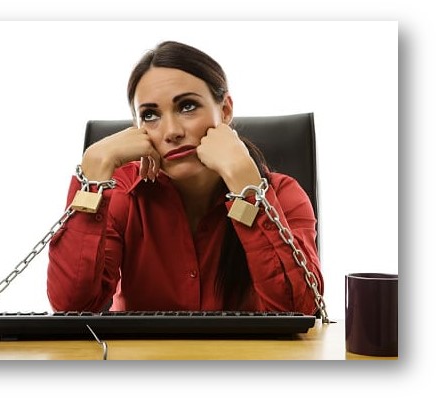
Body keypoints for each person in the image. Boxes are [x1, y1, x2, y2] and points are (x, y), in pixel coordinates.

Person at [47, 40, 323, 315]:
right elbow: (72, 306)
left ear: (225, 110)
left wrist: (245, 184)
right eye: (151, 115)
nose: (171, 132)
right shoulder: (123, 193)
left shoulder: (284, 194)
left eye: (187, 106)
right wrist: (94, 173)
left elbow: (299, 311)